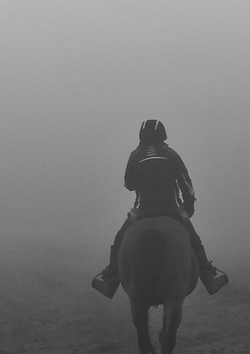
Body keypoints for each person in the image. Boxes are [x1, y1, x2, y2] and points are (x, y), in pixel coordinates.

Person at [91, 119, 229, 298]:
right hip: (172, 209)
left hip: (141, 211)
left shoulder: (135, 155)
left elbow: (129, 184)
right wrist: (189, 207)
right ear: (163, 135)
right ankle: (208, 276)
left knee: (119, 241)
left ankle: (111, 277)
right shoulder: (171, 154)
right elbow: (185, 183)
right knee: (195, 241)